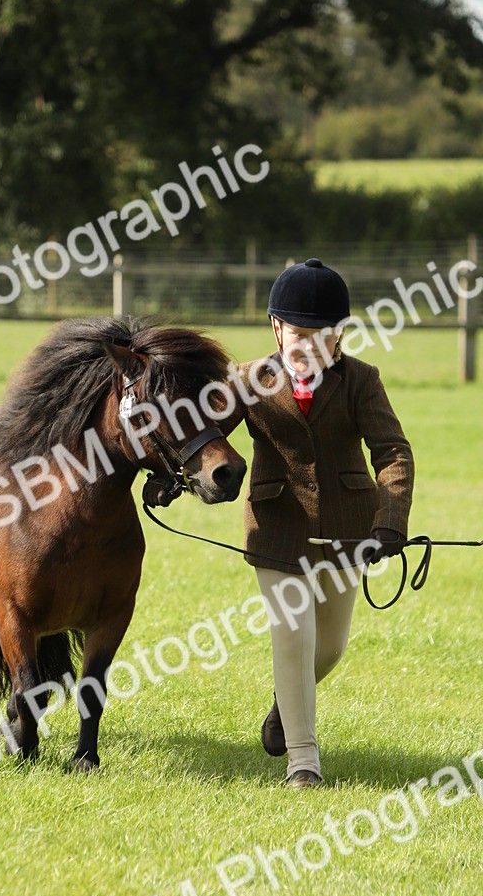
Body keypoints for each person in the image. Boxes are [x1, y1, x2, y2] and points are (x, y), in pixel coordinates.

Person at [145, 257, 415, 788]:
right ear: (276, 329)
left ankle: (284, 703)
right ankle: (303, 762)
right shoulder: (246, 381)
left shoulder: (362, 381)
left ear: (340, 336)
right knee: (292, 638)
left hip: (347, 533)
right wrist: (173, 481)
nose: (309, 346)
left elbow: (393, 451)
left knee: (328, 647)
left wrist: (390, 521)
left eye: (322, 335)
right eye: (298, 334)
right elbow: (203, 439)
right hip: (276, 529)